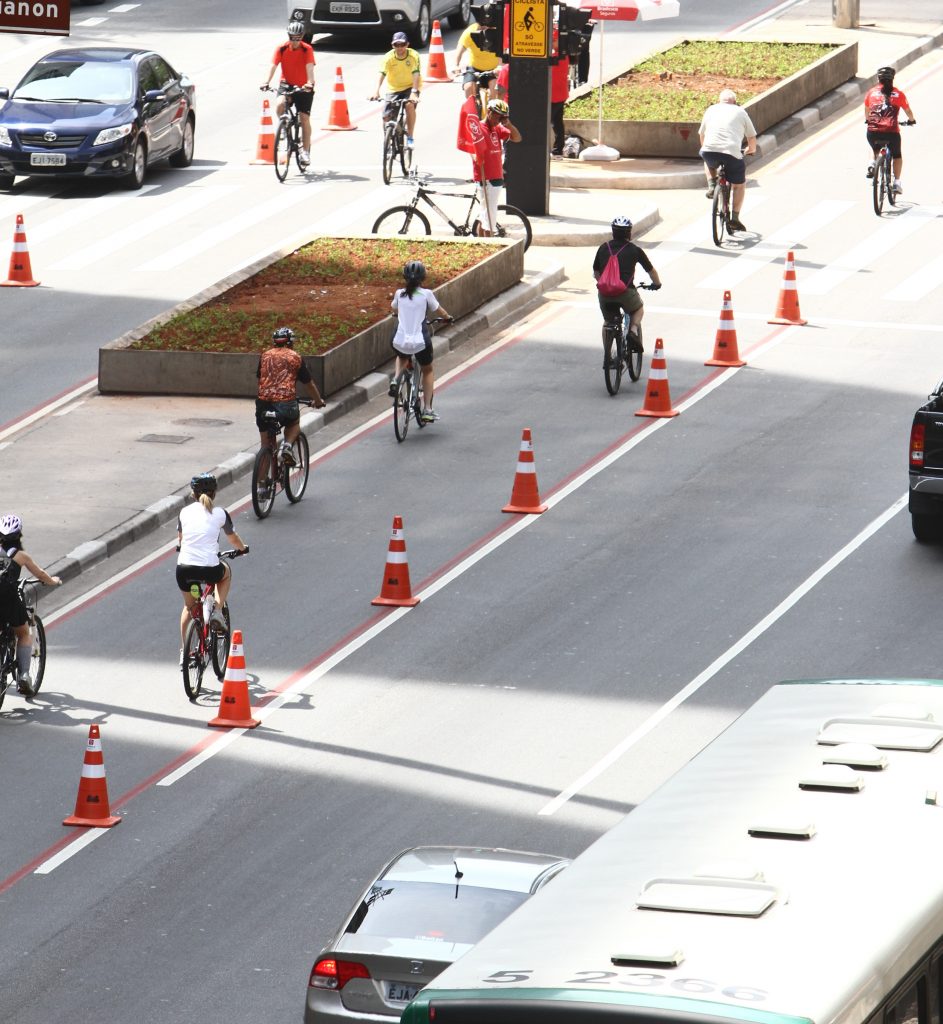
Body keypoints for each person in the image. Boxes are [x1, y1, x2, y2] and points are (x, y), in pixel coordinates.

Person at [176, 476, 248, 664]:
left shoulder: (184, 512)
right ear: (214, 493)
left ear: (193, 494)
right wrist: (242, 549)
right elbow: (233, 539)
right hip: (209, 568)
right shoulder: (220, 514)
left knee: (189, 607)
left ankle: (185, 652)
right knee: (225, 573)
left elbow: (181, 540)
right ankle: (216, 610)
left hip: (184, 570)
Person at [0, 513, 61, 692]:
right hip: (10, 601)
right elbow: (41, 575)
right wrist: (54, 581)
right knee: (24, 634)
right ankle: (24, 676)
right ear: (19, 536)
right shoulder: (21, 556)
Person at [389, 261, 452, 424]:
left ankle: (396, 379)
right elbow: (440, 310)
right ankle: (428, 410)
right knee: (428, 369)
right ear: (423, 278)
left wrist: (398, 314)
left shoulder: (399, 293)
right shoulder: (426, 294)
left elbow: (394, 309)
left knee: (402, 356)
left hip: (400, 339)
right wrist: (448, 318)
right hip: (420, 341)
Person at [256, 326, 325, 468]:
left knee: (266, 444)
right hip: (285, 403)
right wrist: (318, 401)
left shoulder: (265, 355)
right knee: (293, 423)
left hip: (262, 404)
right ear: (291, 342)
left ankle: (262, 487)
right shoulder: (295, 357)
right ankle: (287, 446)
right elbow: (309, 384)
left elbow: (260, 378)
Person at [592, 217, 661, 351]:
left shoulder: (603, 248)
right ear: (629, 233)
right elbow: (651, 271)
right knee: (638, 309)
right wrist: (656, 284)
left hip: (605, 294)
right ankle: (633, 330)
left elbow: (596, 272)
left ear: (613, 232)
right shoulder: (635, 250)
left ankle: (608, 354)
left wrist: (606, 286)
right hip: (626, 293)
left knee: (607, 322)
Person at [698, 88, 756, 233]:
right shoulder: (740, 112)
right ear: (735, 102)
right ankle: (735, 219)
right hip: (731, 153)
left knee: (707, 159)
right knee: (739, 185)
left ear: (719, 101)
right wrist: (751, 150)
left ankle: (712, 185)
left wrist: (707, 149)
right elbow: (751, 138)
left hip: (709, 151)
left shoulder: (711, 110)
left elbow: (702, 134)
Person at [262, 22, 316, 165]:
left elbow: (310, 67)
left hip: (304, 87)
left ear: (302, 37)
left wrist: (310, 83)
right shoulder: (281, 48)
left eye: (298, 38)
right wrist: (266, 81)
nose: (295, 41)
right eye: (292, 38)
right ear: (289, 36)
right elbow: (273, 65)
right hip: (286, 83)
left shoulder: (307, 49)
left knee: (304, 118)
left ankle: (305, 152)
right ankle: (285, 128)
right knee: (280, 104)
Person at [465, 98, 521, 237]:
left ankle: (482, 243)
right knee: (490, 219)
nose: (499, 119)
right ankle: (489, 245)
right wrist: (477, 157)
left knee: (485, 216)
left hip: (496, 177)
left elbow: (517, 138)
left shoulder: (497, 128)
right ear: (489, 112)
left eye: (502, 117)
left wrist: (508, 124)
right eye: (497, 115)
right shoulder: (478, 129)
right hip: (485, 178)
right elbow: (472, 151)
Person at [864, 66, 915, 195]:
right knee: (897, 155)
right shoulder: (898, 94)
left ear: (878, 79)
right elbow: (908, 111)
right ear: (892, 79)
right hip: (891, 131)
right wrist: (911, 120)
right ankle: (897, 183)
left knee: (873, 146)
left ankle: (872, 163)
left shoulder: (871, 93)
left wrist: (868, 120)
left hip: (873, 131)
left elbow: (867, 111)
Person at [369, 32, 422, 150]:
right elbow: (381, 74)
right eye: (396, 45)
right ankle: (388, 139)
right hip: (394, 89)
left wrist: (414, 92)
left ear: (407, 44)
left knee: (409, 105)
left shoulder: (414, 55)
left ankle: (410, 137)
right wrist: (376, 91)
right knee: (386, 117)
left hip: (411, 86)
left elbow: (416, 74)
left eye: (402, 45)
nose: (399, 48)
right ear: (393, 46)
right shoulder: (388, 57)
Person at [452, 18, 502, 101]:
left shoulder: (497, 32)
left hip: (493, 70)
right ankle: (474, 110)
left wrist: (500, 66)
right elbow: (459, 50)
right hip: (474, 68)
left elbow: (503, 50)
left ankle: (492, 113)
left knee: (495, 89)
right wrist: (456, 65)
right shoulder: (470, 32)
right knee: (468, 87)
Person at [550, 53, 570, 157]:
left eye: (554, 40)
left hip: (554, 95)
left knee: (549, 122)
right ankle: (558, 150)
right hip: (560, 94)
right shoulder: (564, 56)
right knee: (557, 123)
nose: (551, 43)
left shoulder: (555, 57)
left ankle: (557, 150)